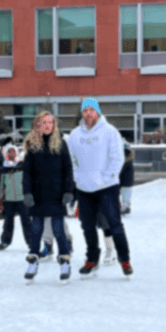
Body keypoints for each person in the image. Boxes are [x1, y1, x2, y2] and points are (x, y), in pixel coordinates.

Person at [67, 98, 132, 278]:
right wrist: (77, 178)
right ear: (82, 114)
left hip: (107, 187)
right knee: (87, 226)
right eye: (85, 110)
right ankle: (92, 259)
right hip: (84, 188)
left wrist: (107, 178)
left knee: (114, 224)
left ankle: (124, 259)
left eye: (91, 110)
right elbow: (71, 160)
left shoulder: (109, 131)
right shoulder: (75, 135)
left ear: (97, 112)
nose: (88, 113)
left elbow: (117, 158)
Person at [22, 110, 74, 282]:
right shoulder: (32, 145)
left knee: (58, 229)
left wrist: (68, 190)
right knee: (36, 229)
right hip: (37, 195)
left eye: (50, 123)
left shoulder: (60, 144)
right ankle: (33, 261)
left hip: (56, 194)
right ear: (39, 125)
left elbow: (68, 169)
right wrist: (27, 192)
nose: (48, 126)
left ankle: (65, 261)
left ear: (54, 125)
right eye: (44, 123)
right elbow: (27, 172)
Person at [0, 143, 33, 252]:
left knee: (27, 222)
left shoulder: (22, 166)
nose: (11, 154)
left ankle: (31, 242)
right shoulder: (4, 169)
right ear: (5, 154)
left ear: (16, 153)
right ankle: (5, 241)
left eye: (13, 151)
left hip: (22, 199)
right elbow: (0, 185)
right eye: (9, 152)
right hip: (9, 200)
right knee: (8, 222)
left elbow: (29, 182)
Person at [119, 141, 135, 213]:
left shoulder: (123, 144)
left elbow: (130, 154)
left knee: (126, 186)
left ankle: (125, 205)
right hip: (116, 168)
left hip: (126, 169)